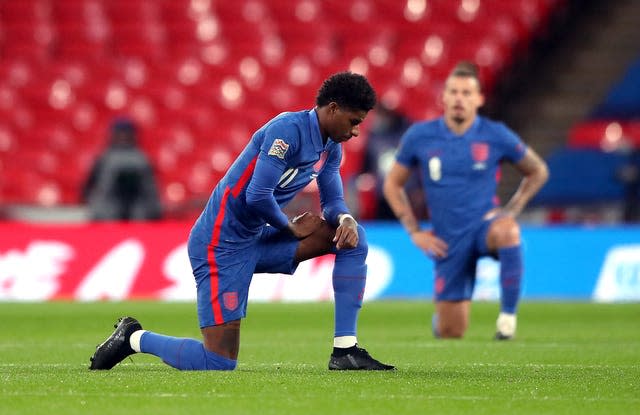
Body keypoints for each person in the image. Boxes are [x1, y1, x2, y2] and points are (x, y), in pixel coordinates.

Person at [89, 72, 395, 371]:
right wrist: (289, 226)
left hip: (258, 237)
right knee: (218, 361)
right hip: (221, 244)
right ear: (333, 109)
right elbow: (257, 195)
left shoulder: (331, 147)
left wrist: (344, 218)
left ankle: (345, 350)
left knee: (353, 240)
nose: (356, 131)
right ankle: (133, 338)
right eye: (354, 121)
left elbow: (331, 199)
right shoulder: (287, 130)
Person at [383, 61, 549, 340]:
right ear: (444, 97)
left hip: (485, 227)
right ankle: (442, 320)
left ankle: (507, 320)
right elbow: (392, 184)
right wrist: (414, 232)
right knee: (451, 332)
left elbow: (538, 171)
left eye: (467, 93)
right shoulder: (420, 136)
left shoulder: (495, 135)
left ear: (479, 99)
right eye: (454, 92)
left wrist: (512, 210)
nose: (459, 98)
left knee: (508, 230)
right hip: (448, 241)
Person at [81, 117, 162, 221]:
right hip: (108, 208)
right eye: (120, 133)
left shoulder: (142, 159)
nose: (123, 137)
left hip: (138, 209)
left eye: (127, 134)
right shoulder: (104, 158)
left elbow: (151, 190)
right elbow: (88, 188)